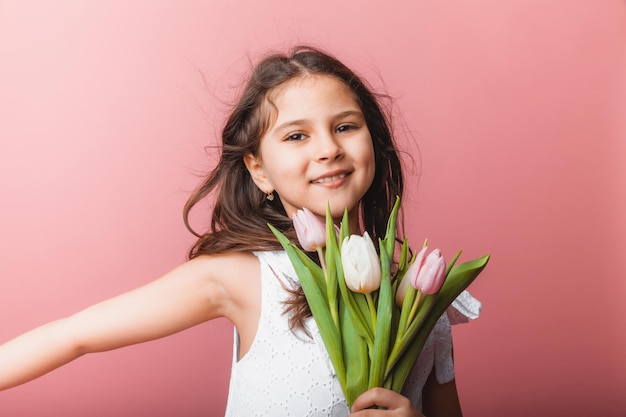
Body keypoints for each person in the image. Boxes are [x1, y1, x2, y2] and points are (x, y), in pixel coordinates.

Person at [0, 45, 480, 416]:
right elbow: (73, 336)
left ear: (372, 142)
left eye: (346, 127)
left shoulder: (419, 294)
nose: (328, 149)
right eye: (296, 135)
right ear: (259, 169)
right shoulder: (245, 279)